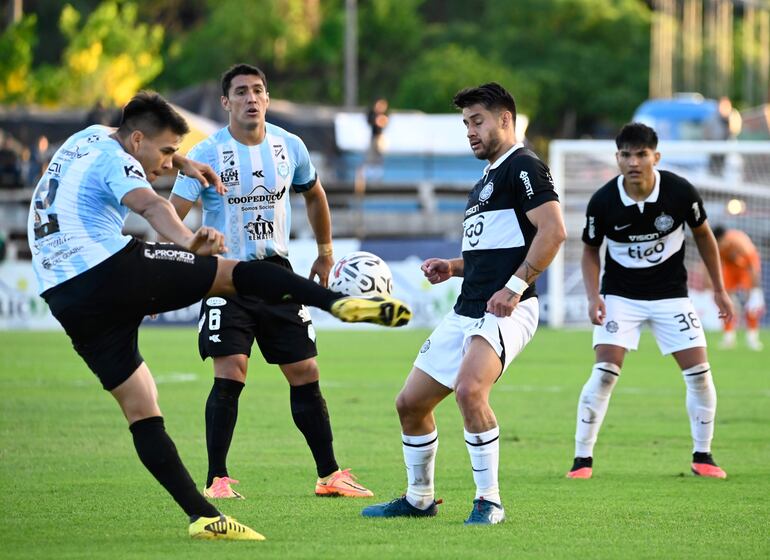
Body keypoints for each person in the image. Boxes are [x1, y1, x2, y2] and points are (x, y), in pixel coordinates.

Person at [26, 91, 411, 540]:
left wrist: (183, 165)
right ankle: (337, 304)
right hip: (105, 267)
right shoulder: (120, 160)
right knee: (237, 273)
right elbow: (151, 205)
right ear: (135, 139)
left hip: (65, 297)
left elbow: (144, 161)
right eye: (168, 152)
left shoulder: (88, 137)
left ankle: (204, 517)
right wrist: (188, 241)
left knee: (141, 406)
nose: (169, 162)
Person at [361, 83, 566, 525]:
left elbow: (553, 232)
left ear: (505, 120)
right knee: (410, 404)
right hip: (468, 307)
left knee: (471, 390)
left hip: (512, 305)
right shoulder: (485, 182)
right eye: (466, 124)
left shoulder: (524, 166)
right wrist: (452, 267)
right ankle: (419, 499)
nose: (470, 132)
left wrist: (513, 288)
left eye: (478, 121)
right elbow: (492, 250)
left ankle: (489, 500)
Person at [170, 63, 374, 500]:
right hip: (226, 277)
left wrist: (324, 252)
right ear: (225, 102)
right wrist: (169, 270)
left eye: (257, 90)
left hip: (278, 275)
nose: (250, 98)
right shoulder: (205, 153)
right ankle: (218, 479)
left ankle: (329, 475)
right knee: (232, 370)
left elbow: (314, 194)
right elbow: (171, 217)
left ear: (266, 98)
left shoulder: (290, 145)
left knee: (305, 371)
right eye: (240, 92)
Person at [566, 122, 734, 481]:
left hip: (671, 296)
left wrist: (719, 288)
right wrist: (594, 296)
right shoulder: (603, 202)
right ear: (617, 158)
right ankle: (582, 461)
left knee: (700, 376)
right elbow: (590, 252)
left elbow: (704, 236)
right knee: (605, 373)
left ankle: (702, 456)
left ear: (655, 157)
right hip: (621, 297)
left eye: (641, 154)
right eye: (626, 154)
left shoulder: (679, 192)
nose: (634, 162)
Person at [712, 226, 765, 351]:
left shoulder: (740, 243)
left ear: (724, 238)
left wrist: (754, 289)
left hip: (746, 269)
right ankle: (728, 337)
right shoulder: (716, 245)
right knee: (725, 302)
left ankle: (752, 338)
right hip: (730, 269)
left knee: (752, 303)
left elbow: (753, 266)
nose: (720, 246)